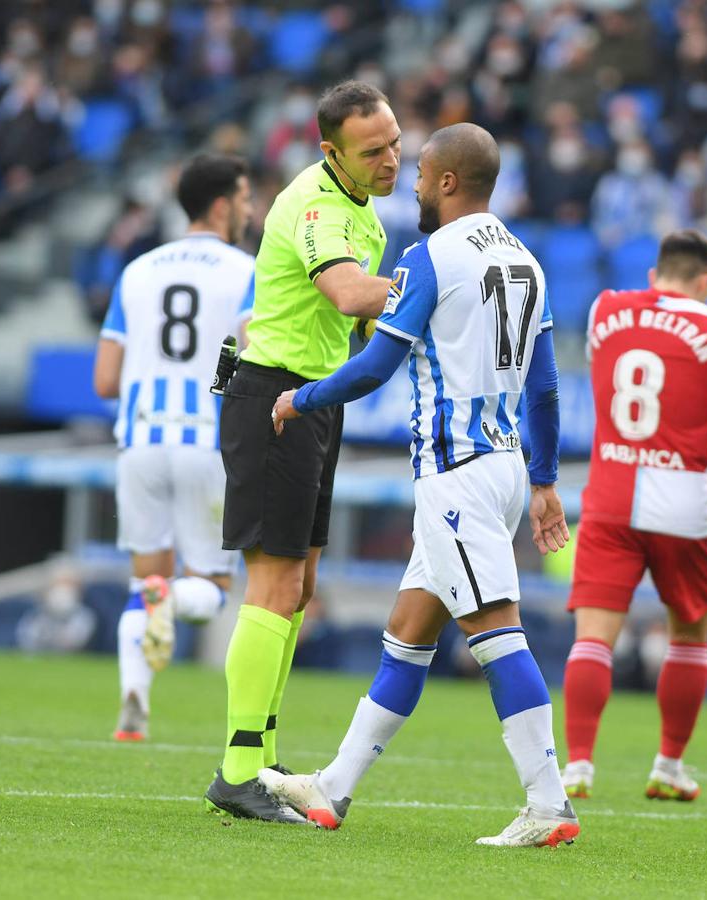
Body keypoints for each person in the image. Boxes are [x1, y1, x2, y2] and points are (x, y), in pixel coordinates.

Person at [259, 123, 579, 848]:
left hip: (454, 476)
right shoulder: (527, 261)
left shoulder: (429, 256)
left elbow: (375, 366)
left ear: (444, 182)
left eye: (419, 175)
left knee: (495, 632)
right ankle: (333, 789)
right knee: (407, 634)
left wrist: (300, 398)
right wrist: (545, 480)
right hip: (498, 465)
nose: (411, 185)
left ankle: (549, 803)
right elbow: (548, 388)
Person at [203, 80, 399, 824]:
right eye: (372, 150)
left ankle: (262, 759)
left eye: (394, 143)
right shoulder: (319, 206)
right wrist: (432, 288)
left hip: (312, 403)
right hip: (277, 403)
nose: (389, 159)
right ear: (331, 151)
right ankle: (240, 768)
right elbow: (350, 295)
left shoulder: (359, 208)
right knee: (275, 586)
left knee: (300, 586)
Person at [560, 229, 707, 803]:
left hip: (608, 493)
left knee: (594, 639)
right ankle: (669, 764)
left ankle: (577, 765)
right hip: (682, 500)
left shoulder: (606, 308)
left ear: (655, 276)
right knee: (690, 632)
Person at [93, 153, 255, 742]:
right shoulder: (246, 269)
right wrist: (213, 384)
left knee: (145, 583)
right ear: (220, 204)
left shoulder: (137, 271)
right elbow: (250, 350)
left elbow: (105, 380)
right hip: (206, 443)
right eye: (243, 197)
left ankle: (133, 699)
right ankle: (167, 599)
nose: (249, 208)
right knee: (209, 591)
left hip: (138, 444)